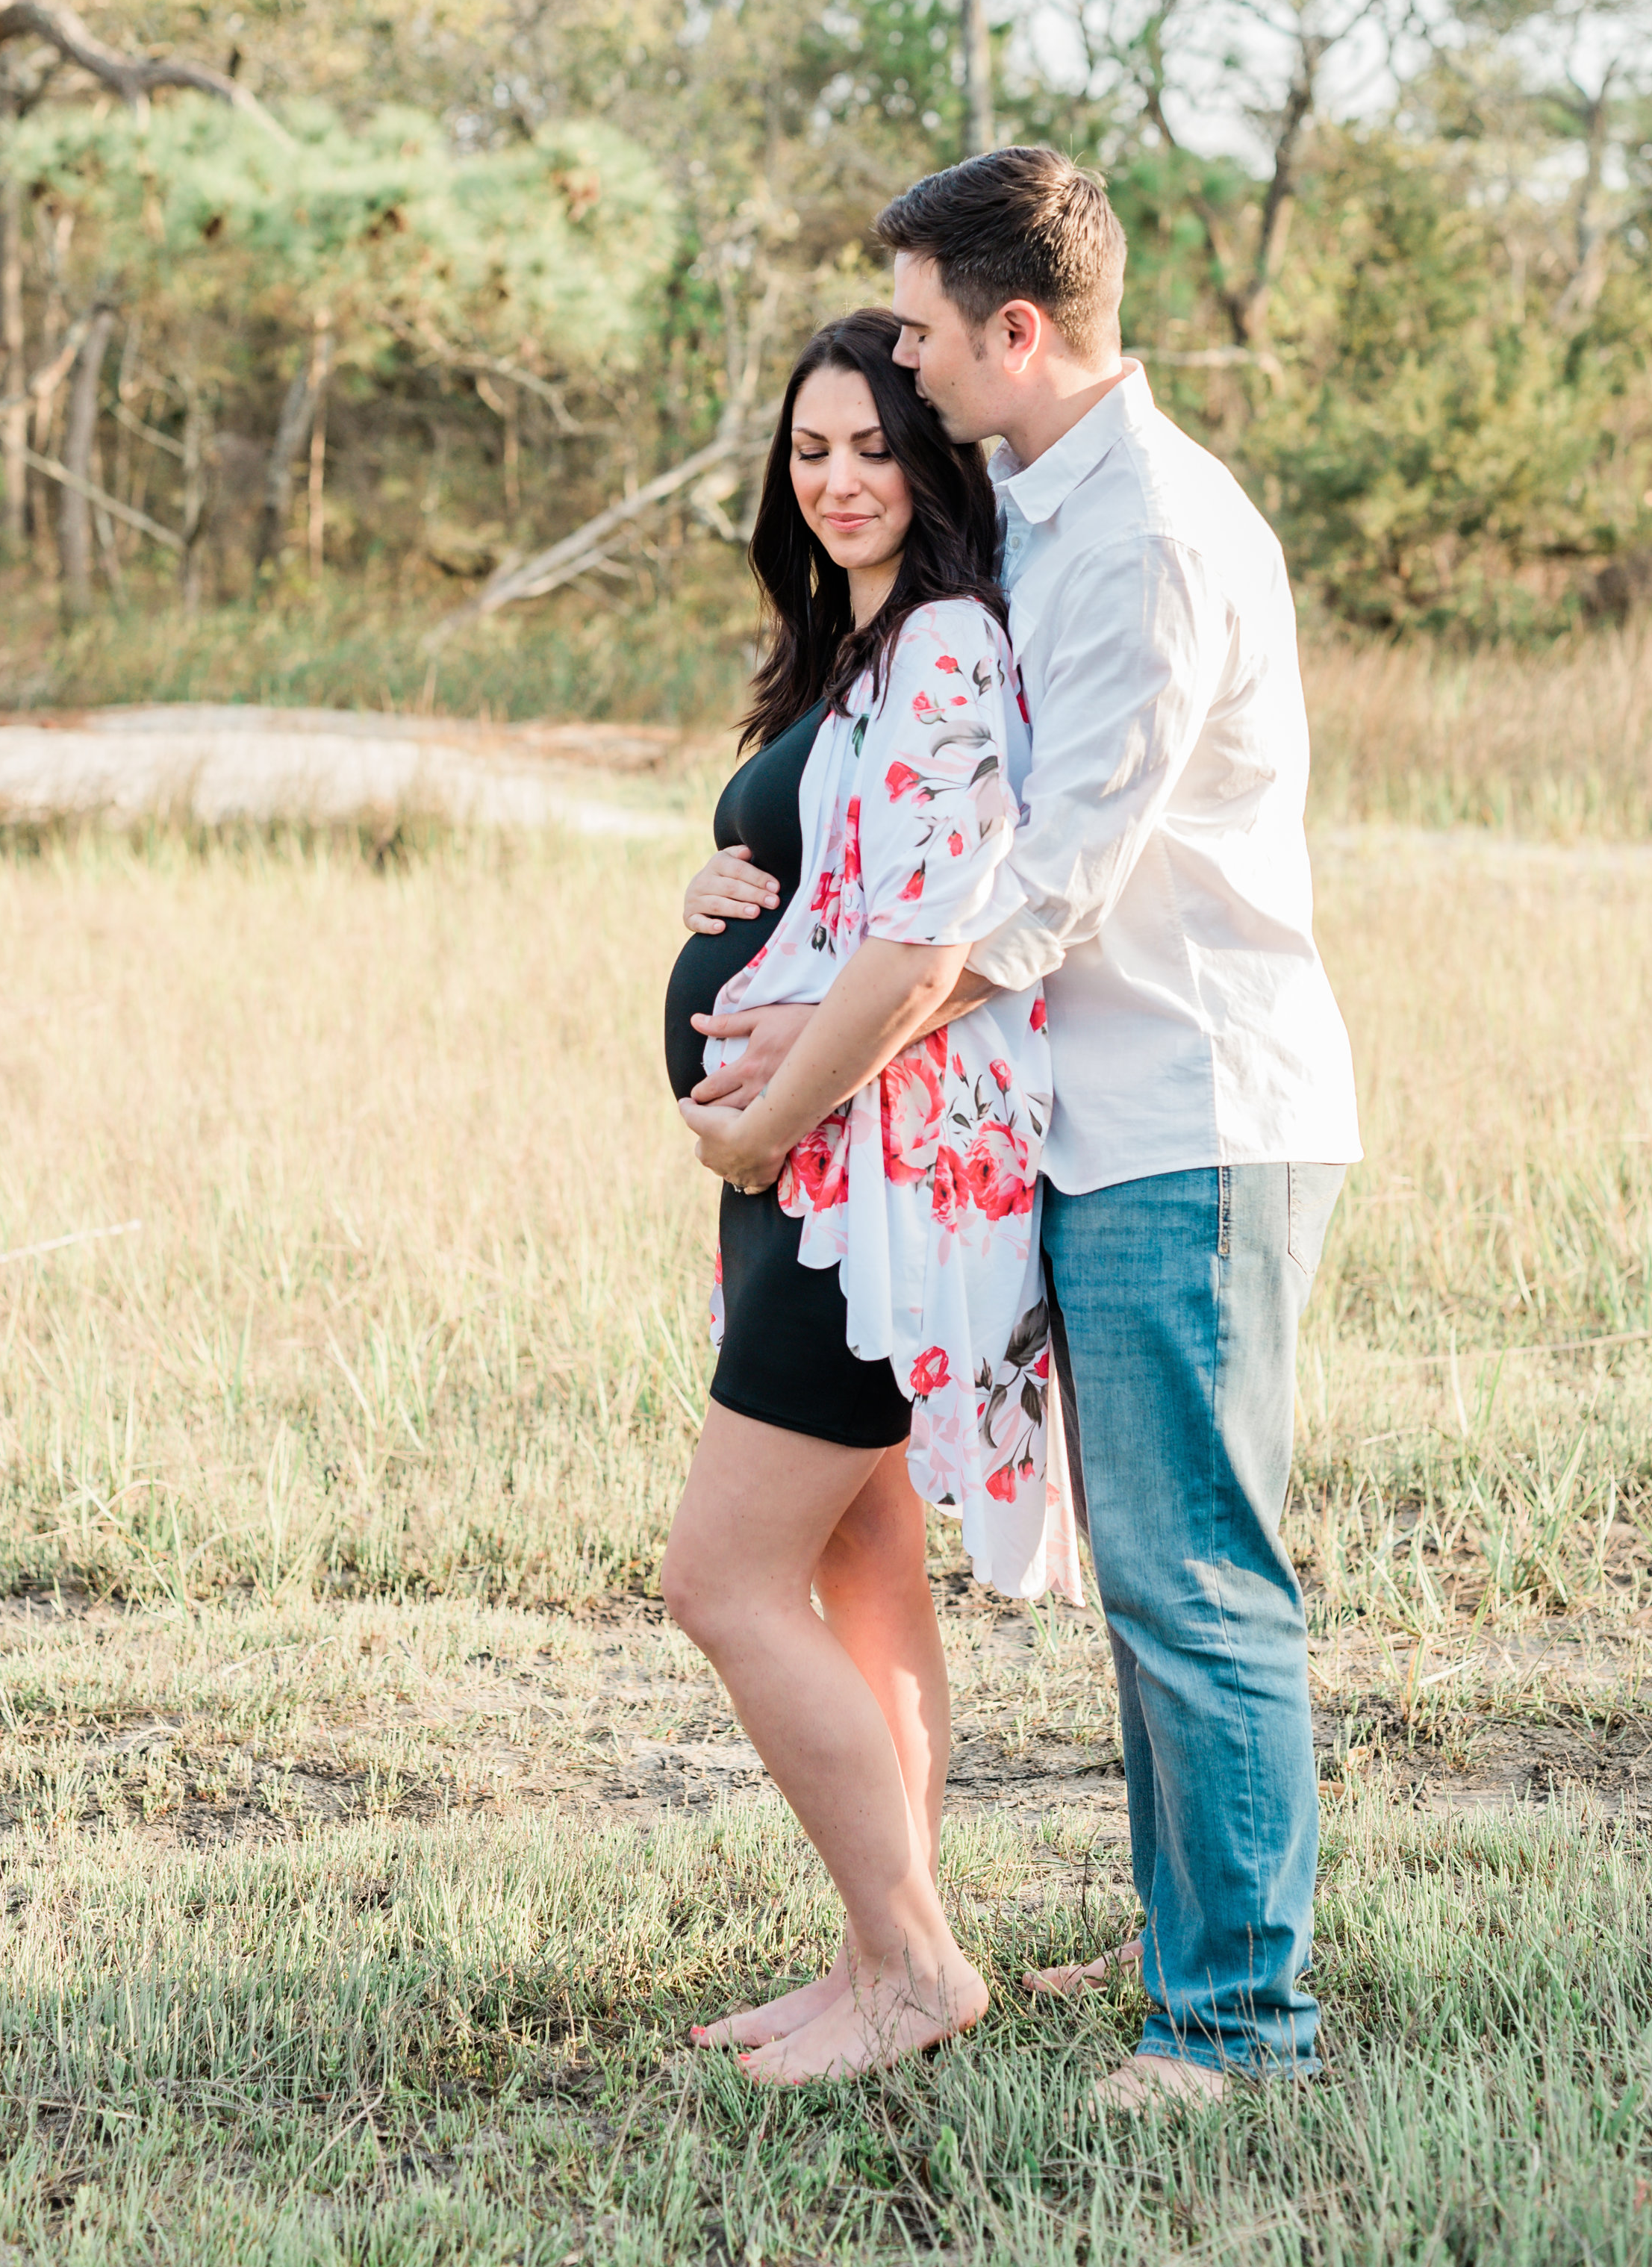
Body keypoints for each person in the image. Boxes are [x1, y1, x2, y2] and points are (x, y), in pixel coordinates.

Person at [691, 149, 1362, 2108]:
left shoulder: (1142, 535)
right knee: (1154, 1576)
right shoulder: (1049, 522)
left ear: (1010, 329)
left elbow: (1033, 896)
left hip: (1189, 1109)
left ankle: (1237, 2030)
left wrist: (798, 1073)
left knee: (1193, 1579)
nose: (896, 359)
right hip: (1093, 1118)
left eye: (912, 325)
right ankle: (1191, 1969)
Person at [661, 306, 1079, 2089]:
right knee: (858, 1573)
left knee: (718, 1579)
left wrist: (761, 1127)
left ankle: (913, 1965)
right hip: (807, 1177)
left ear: (937, 457)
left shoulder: (945, 647)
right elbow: (839, 888)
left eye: (872, 446)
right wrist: (724, 887)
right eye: (809, 449)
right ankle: (872, 1953)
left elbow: (921, 943)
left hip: (861, 1188)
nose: (838, 480)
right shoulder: (847, 655)